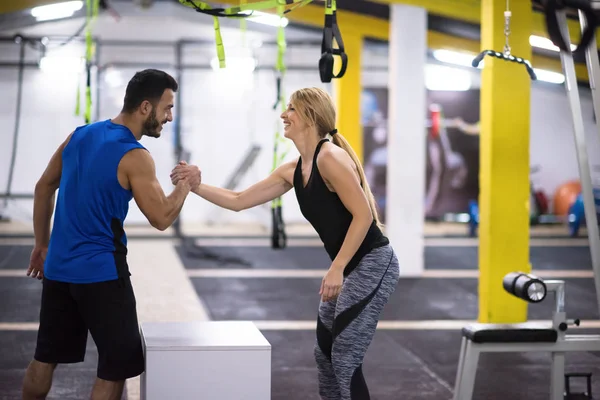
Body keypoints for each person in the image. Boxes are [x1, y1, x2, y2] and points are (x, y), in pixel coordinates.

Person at [171, 87, 400, 400]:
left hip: (373, 263)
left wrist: (337, 268)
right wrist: (194, 186)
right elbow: (238, 200)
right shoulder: (292, 170)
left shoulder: (330, 158)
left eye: (291, 109)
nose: (283, 115)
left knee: (346, 356)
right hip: (348, 267)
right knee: (325, 355)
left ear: (309, 117)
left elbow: (363, 218)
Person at [22, 69, 200, 400]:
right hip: (101, 274)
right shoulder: (135, 155)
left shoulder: (79, 135)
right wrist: (185, 185)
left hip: (59, 271)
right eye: (167, 108)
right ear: (146, 107)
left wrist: (41, 244)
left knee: (44, 358)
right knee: (116, 367)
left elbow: (43, 187)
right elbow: (161, 217)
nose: (170, 117)